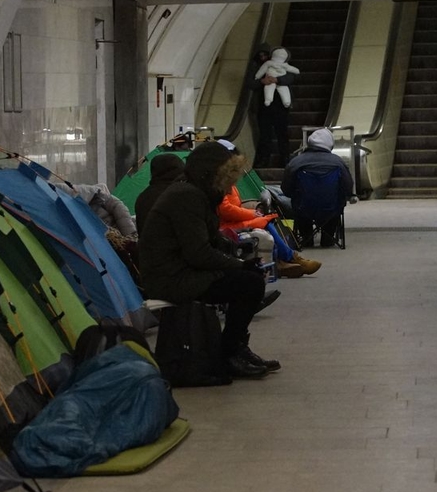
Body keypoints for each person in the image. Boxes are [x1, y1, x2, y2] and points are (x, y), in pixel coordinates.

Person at [138, 141, 280, 378]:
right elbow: (199, 253)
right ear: (211, 174)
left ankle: (235, 348)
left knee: (249, 278)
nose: (229, 187)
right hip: (171, 278)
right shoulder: (187, 197)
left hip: (179, 271)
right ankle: (230, 353)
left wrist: (235, 252)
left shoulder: (194, 192)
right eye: (227, 179)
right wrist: (239, 264)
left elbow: (209, 239)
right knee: (249, 284)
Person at [216, 186, 321, 279]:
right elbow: (226, 210)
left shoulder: (227, 183)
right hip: (225, 225)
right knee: (264, 222)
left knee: (266, 220)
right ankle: (290, 258)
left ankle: (284, 261)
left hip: (231, 222)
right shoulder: (220, 183)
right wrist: (253, 213)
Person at [283, 127, 354, 249]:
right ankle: (328, 238)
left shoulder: (296, 162)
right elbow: (348, 187)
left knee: (300, 205)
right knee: (334, 206)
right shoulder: (338, 162)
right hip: (332, 207)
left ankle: (306, 238)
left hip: (303, 207)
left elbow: (286, 189)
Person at [254, 47, 299, 168]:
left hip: (281, 106)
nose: (263, 58)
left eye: (265, 55)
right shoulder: (262, 67)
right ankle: (264, 158)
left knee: (282, 132)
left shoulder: (284, 66)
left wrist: (277, 79)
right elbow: (252, 81)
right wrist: (261, 82)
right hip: (265, 106)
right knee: (265, 134)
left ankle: (284, 157)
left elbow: (293, 77)